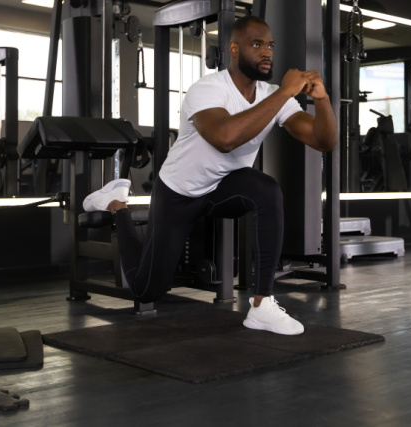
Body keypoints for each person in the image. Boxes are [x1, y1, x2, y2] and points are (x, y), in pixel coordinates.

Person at [83, 15, 337, 335]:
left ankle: (261, 304)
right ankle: (117, 205)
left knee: (267, 189)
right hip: (179, 192)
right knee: (145, 291)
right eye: (256, 44)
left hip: (221, 188)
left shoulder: (271, 93)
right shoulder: (207, 89)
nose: (266, 52)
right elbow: (224, 138)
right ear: (234, 49)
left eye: (270, 45)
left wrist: (323, 100)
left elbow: (324, 141)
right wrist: (285, 94)